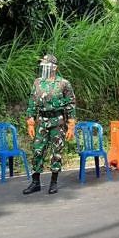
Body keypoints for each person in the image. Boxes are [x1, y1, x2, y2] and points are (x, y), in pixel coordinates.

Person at [23, 54, 76, 195]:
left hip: (57, 121)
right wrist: (30, 121)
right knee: (37, 150)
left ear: (54, 67)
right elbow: (32, 101)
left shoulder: (63, 83)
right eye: (43, 65)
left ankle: (53, 182)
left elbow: (71, 104)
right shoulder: (38, 82)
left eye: (47, 65)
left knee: (56, 152)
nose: (44, 67)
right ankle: (35, 182)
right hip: (41, 121)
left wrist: (71, 124)